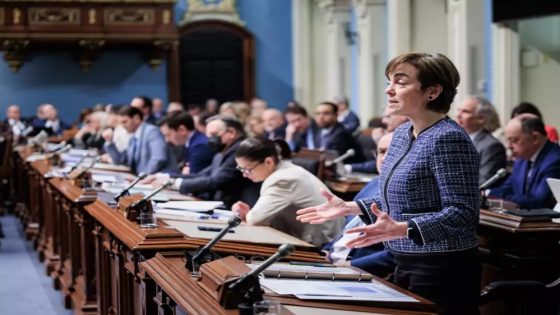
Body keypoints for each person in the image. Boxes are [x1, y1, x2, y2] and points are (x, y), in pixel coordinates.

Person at [297, 52, 481, 314]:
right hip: (404, 258)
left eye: (401, 82)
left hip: (442, 266)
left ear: (432, 91)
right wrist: (351, 208)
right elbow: (402, 198)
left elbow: (462, 213)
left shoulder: (449, 138)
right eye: (389, 81)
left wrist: (402, 228)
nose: (389, 90)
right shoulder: (402, 134)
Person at [231, 138, 344, 247]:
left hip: (322, 244)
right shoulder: (286, 169)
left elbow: (254, 220)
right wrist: (250, 214)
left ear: (268, 162)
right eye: (240, 169)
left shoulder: (282, 179)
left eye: (247, 169)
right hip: (321, 236)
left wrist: (246, 214)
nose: (244, 174)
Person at [143, 116, 261, 208]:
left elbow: (216, 181)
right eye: (208, 135)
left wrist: (172, 183)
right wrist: (165, 177)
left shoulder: (240, 150)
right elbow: (202, 175)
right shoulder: (223, 151)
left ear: (231, 133)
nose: (210, 140)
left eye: (214, 135)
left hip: (235, 207)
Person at [327, 132, 395, 277]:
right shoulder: (373, 184)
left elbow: (396, 254)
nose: (384, 158)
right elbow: (348, 227)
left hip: (362, 271)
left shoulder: (412, 195)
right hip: (332, 261)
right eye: (381, 152)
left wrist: (351, 265)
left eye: (393, 151)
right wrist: (327, 250)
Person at [490, 114, 560, 209]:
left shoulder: (555, 160)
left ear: (535, 138)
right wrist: (486, 192)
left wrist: (504, 198)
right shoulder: (521, 159)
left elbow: (538, 202)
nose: (508, 146)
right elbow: (507, 188)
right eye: (508, 141)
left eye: (514, 140)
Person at [103, 106, 175, 175]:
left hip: (159, 180)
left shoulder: (151, 131)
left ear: (136, 119)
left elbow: (158, 158)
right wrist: (110, 142)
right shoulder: (133, 137)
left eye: (125, 122)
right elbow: (120, 161)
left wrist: (142, 178)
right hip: (141, 180)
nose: (122, 126)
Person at [456, 96, 507, 186]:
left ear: (481, 118)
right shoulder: (457, 139)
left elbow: (485, 182)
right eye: (458, 110)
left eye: (465, 111)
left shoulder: (492, 146)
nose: (458, 115)